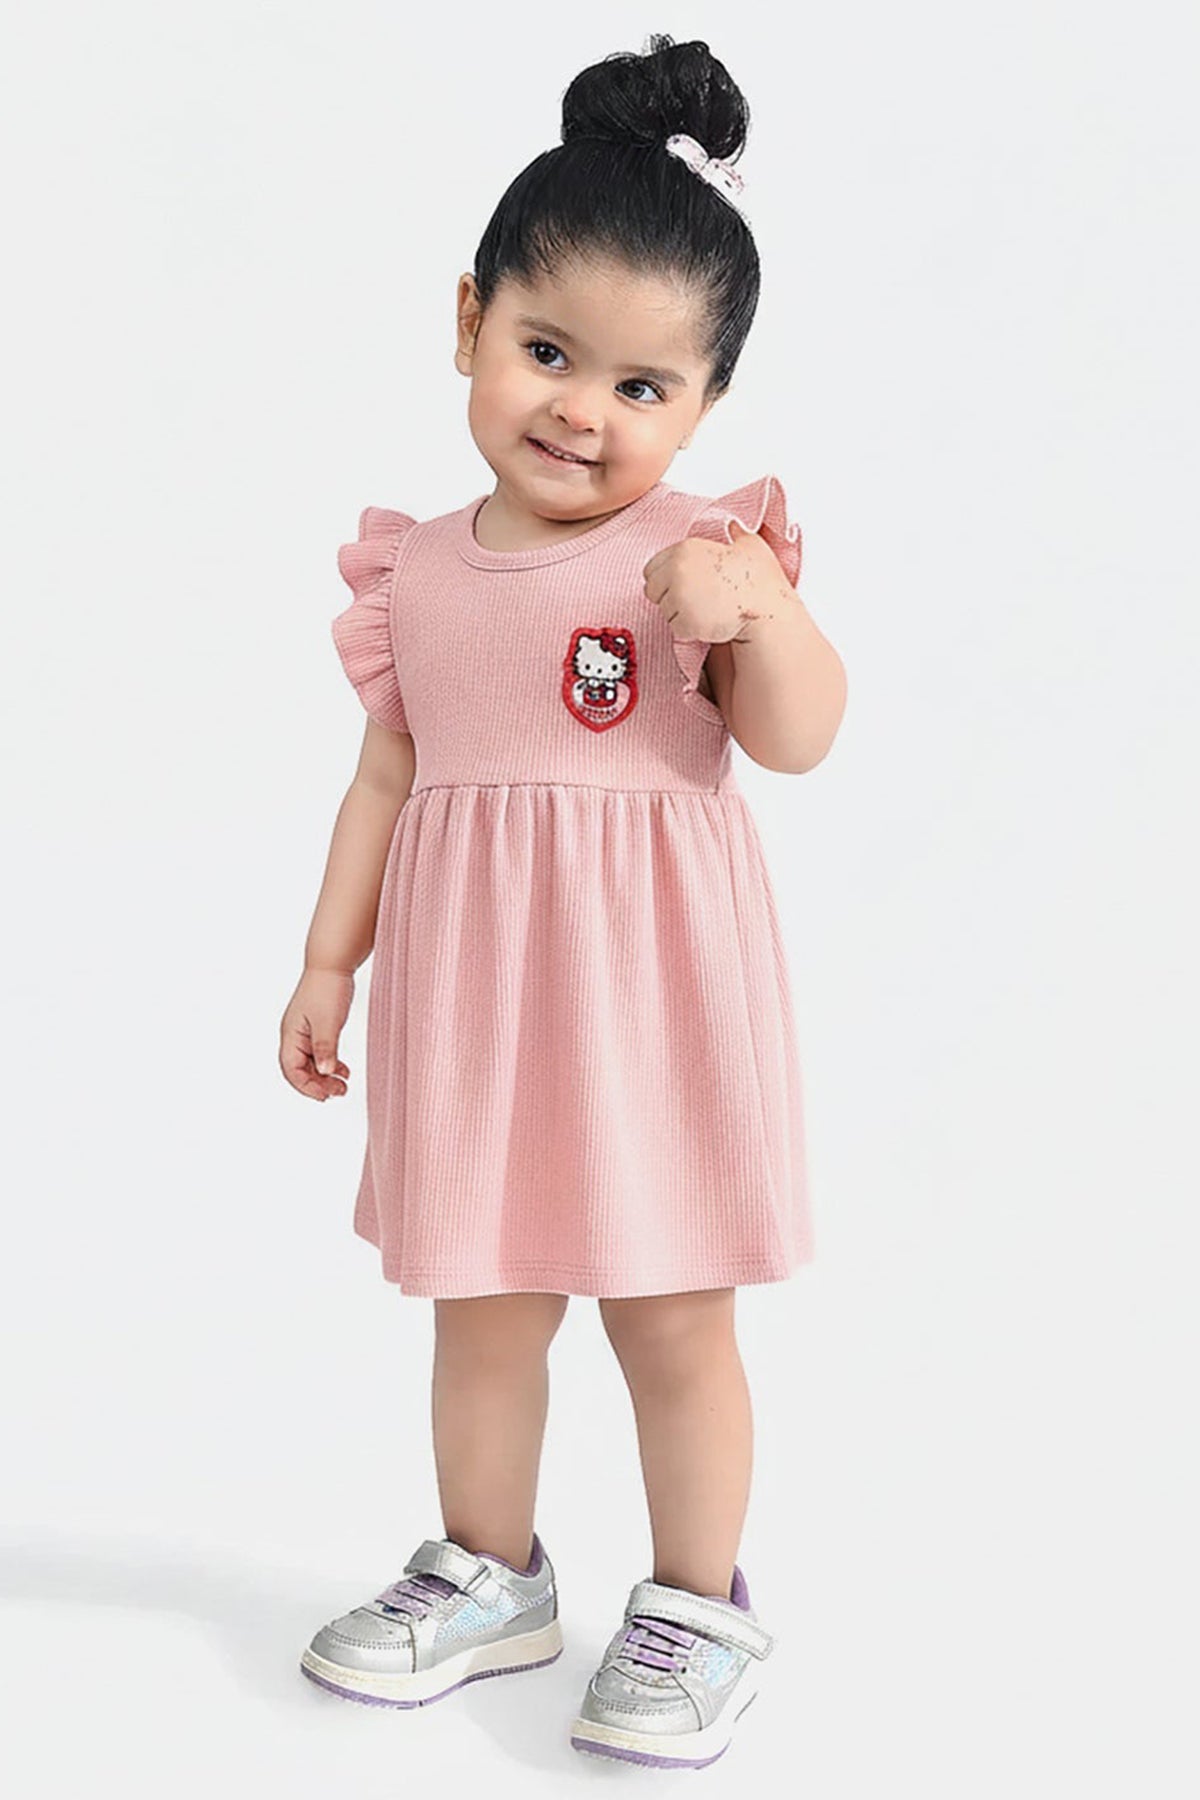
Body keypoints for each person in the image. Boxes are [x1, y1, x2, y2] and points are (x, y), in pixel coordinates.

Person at [279, 31, 847, 1772]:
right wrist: (328, 963)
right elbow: (386, 780)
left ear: (707, 403)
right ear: (470, 322)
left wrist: (762, 616)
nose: (582, 411)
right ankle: (490, 1571)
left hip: (654, 995)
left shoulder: (704, 556)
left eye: (642, 385)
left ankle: (698, 1601)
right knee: (484, 1301)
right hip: (476, 997)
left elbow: (799, 741)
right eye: (545, 351)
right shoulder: (417, 572)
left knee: (672, 1311)